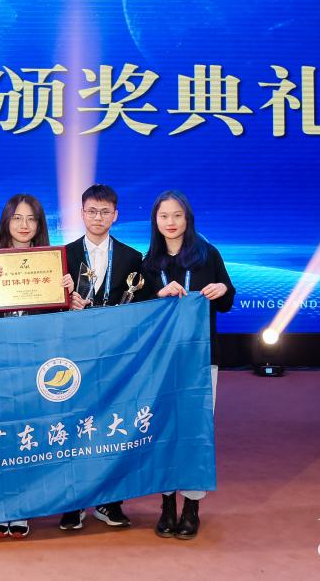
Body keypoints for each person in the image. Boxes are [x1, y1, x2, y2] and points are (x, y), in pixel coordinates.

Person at [0, 193, 73, 539]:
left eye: (31, 219)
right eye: (17, 218)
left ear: (39, 224)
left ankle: (23, 506)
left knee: (29, 432)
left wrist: (66, 292)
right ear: (6, 222)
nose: (24, 225)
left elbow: (61, 317)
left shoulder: (53, 261)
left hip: (36, 359)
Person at [140, 190, 234, 541]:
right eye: (164, 216)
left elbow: (227, 301)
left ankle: (192, 507)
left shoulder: (208, 255)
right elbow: (138, 314)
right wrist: (157, 296)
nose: (171, 222)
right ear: (155, 221)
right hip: (160, 362)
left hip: (201, 358)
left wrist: (222, 289)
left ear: (187, 218)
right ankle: (167, 505)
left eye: (177, 215)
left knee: (196, 431)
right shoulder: (149, 263)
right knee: (163, 429)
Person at [57, 184, 143, 532]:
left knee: (114, 423)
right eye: (92, 211)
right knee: (74, 422)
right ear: (81, 213)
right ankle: (73, 502)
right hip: (74, 352)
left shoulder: (133, 257)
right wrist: (67, 303)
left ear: (115, 215)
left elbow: (140, 306)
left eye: (105, 211)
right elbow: (50, 304)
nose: (98, 217)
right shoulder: (63, 255)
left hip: (116, 352)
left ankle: (111, 500)